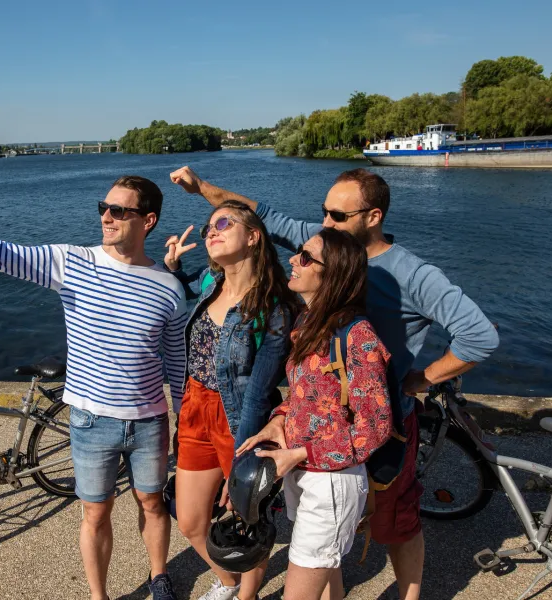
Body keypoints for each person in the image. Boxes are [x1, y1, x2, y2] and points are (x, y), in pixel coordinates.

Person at [169, 166, 499, 600]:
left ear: (373, 216)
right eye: (323, 212)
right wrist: (201, 189)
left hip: (376, 424)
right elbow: (263, 215)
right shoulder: (315, 277)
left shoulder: (414, 277)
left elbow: (480, 336)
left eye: (337, 217)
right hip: (321, 426)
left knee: (394, 525)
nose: (323, 223)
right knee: (330, 545)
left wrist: (416, 380)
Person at [0, 176, 186, 600]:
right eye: (104, 206)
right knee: (96, 512)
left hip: (150, 421)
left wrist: (187, 419)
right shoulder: (73, 262)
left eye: (120, 210)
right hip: (90, 418)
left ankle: (160, 577)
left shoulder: (169, 287)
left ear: (148, 220)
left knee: (152, 504)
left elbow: (176, 363)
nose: (106, 215)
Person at [238, 228, 392, 600]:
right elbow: (305, 395)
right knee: (328, 577)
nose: (293, 259)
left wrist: (302, 453)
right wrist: (278, 422)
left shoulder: (358, 336)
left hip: (331, 484)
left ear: (332, 273)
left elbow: (376, 426)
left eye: (306, 257)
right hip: (303, 472)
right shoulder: (309, 322)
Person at [163, 200, 298, 600]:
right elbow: (187, 287)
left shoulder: (273, 306)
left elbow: (259, 389)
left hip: (239, 415)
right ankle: (228, 578)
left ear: (253, 236)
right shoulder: (210, 281)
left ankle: (246, 595)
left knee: (245, 521)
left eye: (223, 223)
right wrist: (172, 268)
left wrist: (243, 459)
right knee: (189, 520)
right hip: (194, 407)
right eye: (209, 228)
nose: (211, 231)